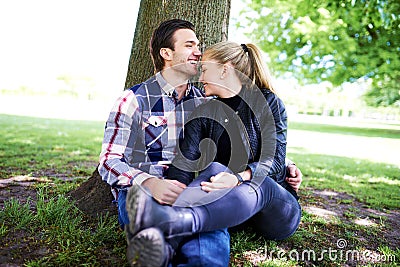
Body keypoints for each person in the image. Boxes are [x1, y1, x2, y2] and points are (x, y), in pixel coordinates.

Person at [98, 19, 302, 267]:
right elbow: (109, 160)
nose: (198, 52)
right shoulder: (133, 99)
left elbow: (251, 141)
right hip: (145, 188)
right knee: (157, 243)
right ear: (167, 53)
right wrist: (151, 183)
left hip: (196, 186)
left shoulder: (204, 100)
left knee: (209, 225)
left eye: (199, 45)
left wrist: (285, 163)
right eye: (189, 45)